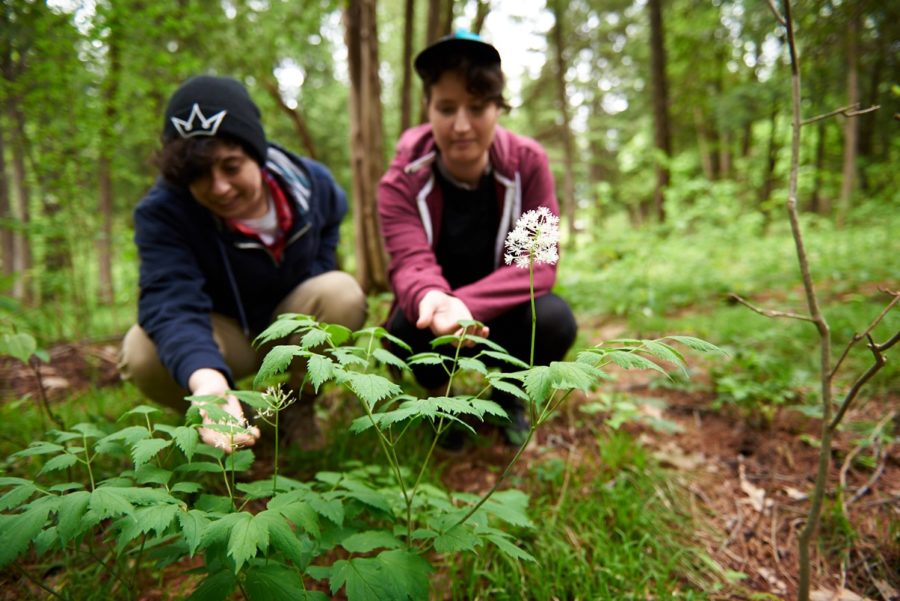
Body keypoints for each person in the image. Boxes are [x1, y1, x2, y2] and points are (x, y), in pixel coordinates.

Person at [119, 75, 367, 452]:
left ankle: (293, 405)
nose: (219, 187)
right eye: (199, 174)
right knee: (142, 351)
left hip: (285, 324)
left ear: (257, 153)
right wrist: (209, 385)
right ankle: (222, 409)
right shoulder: (164, 212)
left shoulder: (312, 186)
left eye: (231, 166)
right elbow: (169, 300)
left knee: (341, 293)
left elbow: (326, 242)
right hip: (221, 335)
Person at [377, 31, 578, 446]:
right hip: (432, 313)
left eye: (478, 107)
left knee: (554, 321)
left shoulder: (529, 164)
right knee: (405, 326)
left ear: (498, 108)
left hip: (502, 309)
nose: (462, 125)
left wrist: (467, 305)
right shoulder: (402, 179)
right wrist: (436, 302)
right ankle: (439, 404)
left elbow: (538, 262)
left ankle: (510, 399)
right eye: (447, 108)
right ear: (428, 109)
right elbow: (408, 261)